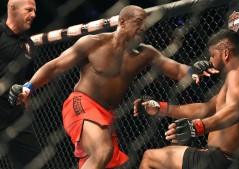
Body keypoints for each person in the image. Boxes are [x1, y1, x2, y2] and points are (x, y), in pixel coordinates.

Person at [8, 5, 219, 169]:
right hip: (81, 103)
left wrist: (193, 70)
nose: (143, 27)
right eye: (138, 21)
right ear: (123, 22)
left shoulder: (145, 53)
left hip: (106, 114)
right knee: (102, 151)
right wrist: (29, 86)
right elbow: (55, 66)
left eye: (145, 23)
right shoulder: (94, 43)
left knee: (109, 162)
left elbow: (174, 68)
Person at [133, 29, 239, 169]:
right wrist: (160, 108)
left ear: (225, 53)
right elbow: (203, 109)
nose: (210, 60)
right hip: (221, 159)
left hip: (221, 160)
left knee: (150, 157)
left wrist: (197, 127)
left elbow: (237, 109)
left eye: (212, 55)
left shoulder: (237, 74)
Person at [0, 0, 44, 168]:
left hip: (15, 116)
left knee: (35, 161)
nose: (33, 14)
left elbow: (26, 80)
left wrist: (26, 106)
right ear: (13, 9)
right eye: (29, 10)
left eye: (35, 10)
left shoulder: (29, 45)